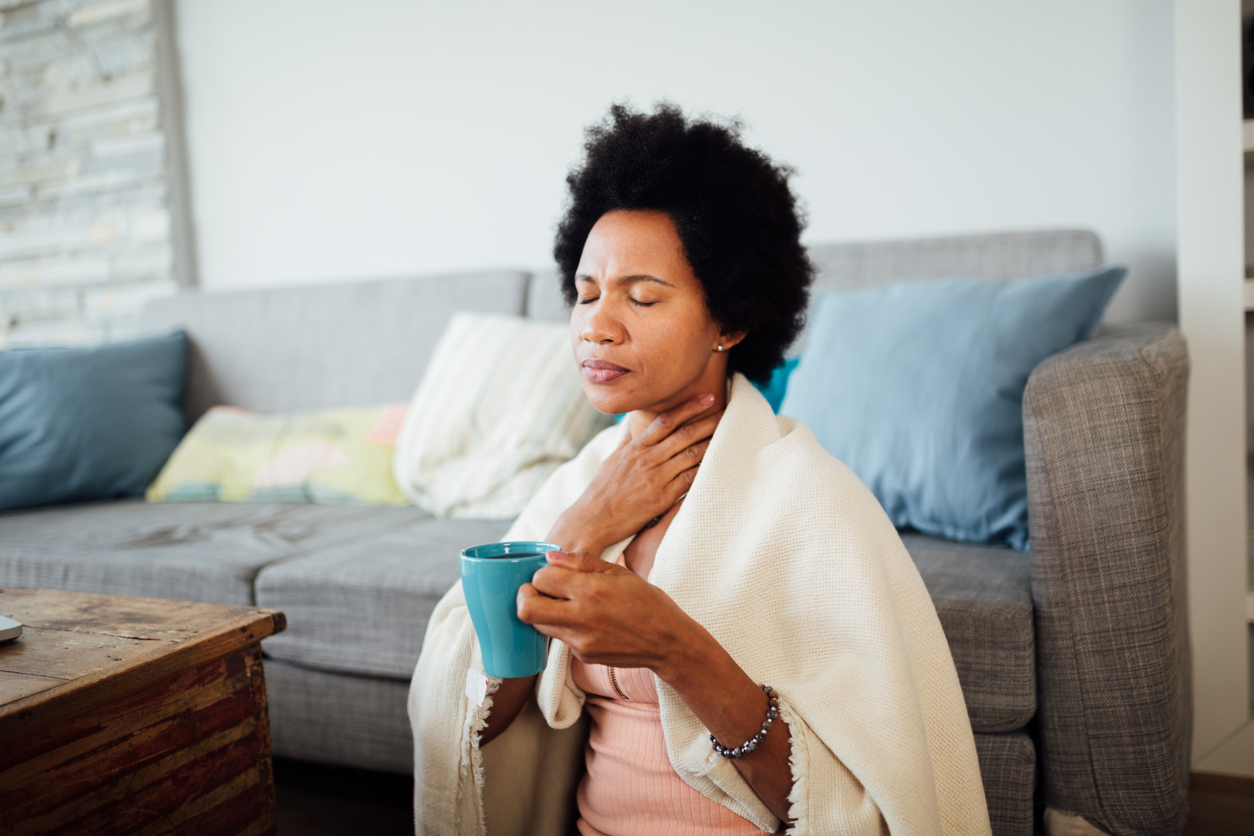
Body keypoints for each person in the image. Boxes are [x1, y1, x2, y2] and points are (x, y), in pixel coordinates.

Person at [409, 103, 991, 836]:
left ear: (731, 320)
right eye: (586, 293)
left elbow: (855, 810)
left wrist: (675, 648)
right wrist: (583, 529)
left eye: (642, 296)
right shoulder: (580, 485)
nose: (597, 323)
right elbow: (476, 728)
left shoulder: (811, 501)